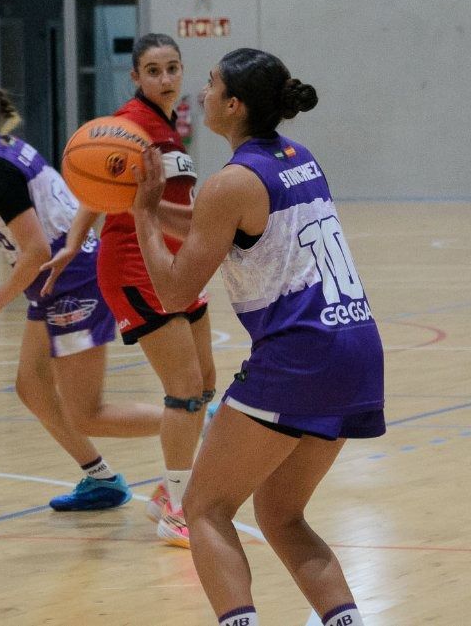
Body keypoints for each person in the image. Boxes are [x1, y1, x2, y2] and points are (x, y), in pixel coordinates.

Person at [130, 48, 385, 626]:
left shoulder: (230, 182)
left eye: (213, 84)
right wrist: (149, 211)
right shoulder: (299, 157)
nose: (202, 91)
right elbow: (215, 231)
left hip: (301, 354)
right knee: (281, 514)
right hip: (357, 347)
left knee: (204, 508)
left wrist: (142, 217)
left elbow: (173, 293)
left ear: (234, 105)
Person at [0, 72, 162, 511]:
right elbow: (17, 227)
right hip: (58, 277)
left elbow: (33, 249)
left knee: (87, 411)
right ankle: (101, 479)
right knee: (31, 386)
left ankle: (194, 421)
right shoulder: (5, 153)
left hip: (70, 280)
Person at [44, 33, 213, 548]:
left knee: (205, 383)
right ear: (136, 77)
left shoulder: (171, 124)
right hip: (135, 266)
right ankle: (180, 510)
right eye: (154, 70)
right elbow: (96, 189)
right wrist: (74, 244)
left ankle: (168, 490)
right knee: (184, 391)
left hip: (175, 262)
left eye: (173, 68)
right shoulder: (128, 126)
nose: (165, 78)